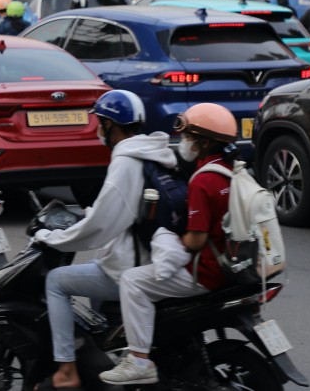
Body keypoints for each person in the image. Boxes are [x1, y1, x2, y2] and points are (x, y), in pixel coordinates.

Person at [34, 91, 177, 391]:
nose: (98, 129)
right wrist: (92, 214)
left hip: (132, 266)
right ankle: (110, 355)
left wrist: (54, 238)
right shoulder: (154, 151)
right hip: (158, 255)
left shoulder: (125, 163)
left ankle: (66, 370)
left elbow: (99, 227)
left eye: (100, 122)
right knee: (98, 270)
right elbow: (120, 211)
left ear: (111, 125)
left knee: (57, 282)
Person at [99, 103, 237, 386]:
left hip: (206, 272)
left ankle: (138, 359)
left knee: (132, 281)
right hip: (232, 263)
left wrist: (170, 239)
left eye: (188, 136)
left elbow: (196, 240)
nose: (184, 142)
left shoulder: (203, 181)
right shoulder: (232, 172)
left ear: (204, 142)